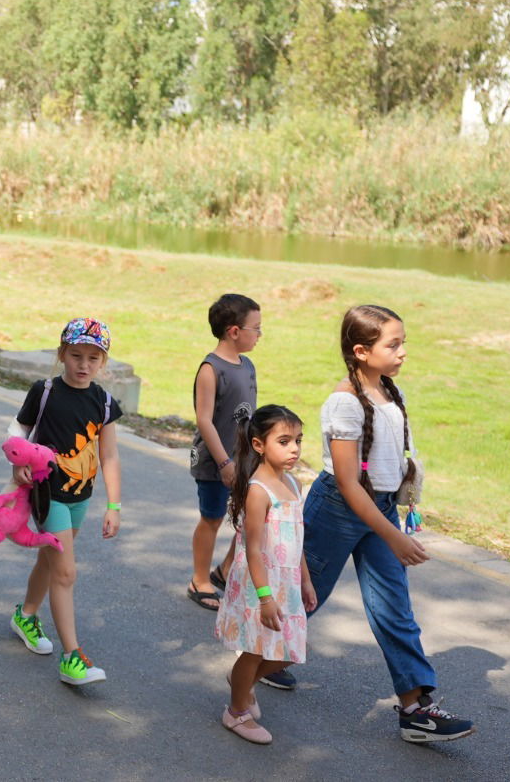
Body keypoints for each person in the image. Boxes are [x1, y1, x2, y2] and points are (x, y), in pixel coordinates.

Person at [302, 305, 475, 744]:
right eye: (393, 345)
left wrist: (397, 508)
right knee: (302, 598)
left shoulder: (391, 391)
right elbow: (347, 481)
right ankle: (252, 668)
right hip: (338, 508)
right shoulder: (343, 403)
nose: (403, 352)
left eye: (403, 343)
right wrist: (392, 534)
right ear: (361, 351)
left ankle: (416, 710)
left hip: (378, 507)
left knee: (395, 609)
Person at [4, 317, 123, 686]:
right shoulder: (44, 391)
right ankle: (72, 657)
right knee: (66, 572)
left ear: (103, 361)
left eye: (93, 358)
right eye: (76, 355)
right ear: (61, 354)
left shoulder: (104, 402)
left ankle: (25, 615)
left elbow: (109, 456)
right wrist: (19, 463)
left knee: (49, 558)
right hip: (48, 494)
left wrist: (114, 505)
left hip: (81, 497)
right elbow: (18, 430)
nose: (84, 365)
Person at [214, 405, 315, 745]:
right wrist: (265, 597)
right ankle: (236, 711)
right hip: (260, 585)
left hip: (286, 583)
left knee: (288, 650)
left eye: (298, 440)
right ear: (258, 445)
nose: (294, 449)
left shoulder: (293, 483)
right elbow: (253, 550)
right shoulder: (259, 491)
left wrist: (305, 580)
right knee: (256, 649)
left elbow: (297, 538)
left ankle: (242, 682)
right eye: (284, 441)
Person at [185, 295, 260, 613]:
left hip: (244, 459)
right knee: (213, 518)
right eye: (256, 328)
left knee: (253, 516)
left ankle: (225, 570)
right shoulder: (211, 369)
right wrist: (224, 462)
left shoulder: (248, 365)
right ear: (234, 331)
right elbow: (204, 420)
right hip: (215, 460)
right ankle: (199, 580)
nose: (259, 334)